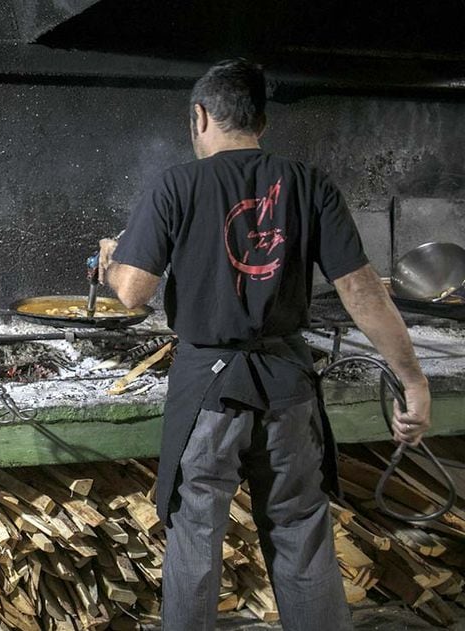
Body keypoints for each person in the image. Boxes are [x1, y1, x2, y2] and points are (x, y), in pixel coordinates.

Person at [97, 59, 431, 630]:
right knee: (301, 530)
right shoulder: (308, 183)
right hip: (287, 388)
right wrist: (413, 380)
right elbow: (363, 293)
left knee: (196, 535)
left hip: (209, 390)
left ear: (199, 117)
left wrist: (110, 263)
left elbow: (132, 293)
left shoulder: (177, 184)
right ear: (262, 123)